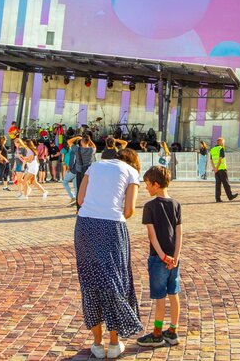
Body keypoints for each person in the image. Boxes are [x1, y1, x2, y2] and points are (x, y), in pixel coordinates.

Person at [75, 148, 143, 359]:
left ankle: (97, 344)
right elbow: (130, 210)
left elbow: (80, 199)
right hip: (111, 227)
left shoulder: (95, 166)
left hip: (85, 225)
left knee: (90, 281)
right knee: (114, 281)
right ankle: (114, 343)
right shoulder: (131, 172)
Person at [136, 166, 182, 348]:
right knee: (174, 293)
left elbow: (151, 236)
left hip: (159, 258)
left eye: (147, 184)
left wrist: (163, 257)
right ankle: (173, 331)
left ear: (156, 184)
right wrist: (175, 257)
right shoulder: (176, 204)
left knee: (160, 297)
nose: (146, 187)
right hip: (174, 257)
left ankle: (156, 334)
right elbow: (179, 234)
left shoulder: (150, 207)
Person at [68, 135, 97, 209]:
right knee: (89, 189)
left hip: (79, 171)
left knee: (79, 189)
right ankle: (89, 206)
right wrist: (89, 140)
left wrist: (77, 137)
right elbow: (94, 146)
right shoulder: (91, 150)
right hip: (89, 172)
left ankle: (79, 208)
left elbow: (69, 142)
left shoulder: (77, 149)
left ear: (81, 142)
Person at [209, 138, 238, 202]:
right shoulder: (221, 149)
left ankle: (217, 198)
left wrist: (214, 168)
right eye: (223, 142)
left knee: (218, 184)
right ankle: (230, 196)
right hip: (222, 169)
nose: (224, 144)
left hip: (216, 171)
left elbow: (211, 161)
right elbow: (220, 159)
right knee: (226, 183)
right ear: (221, 143)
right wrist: (217, 168)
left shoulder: (212, 150)